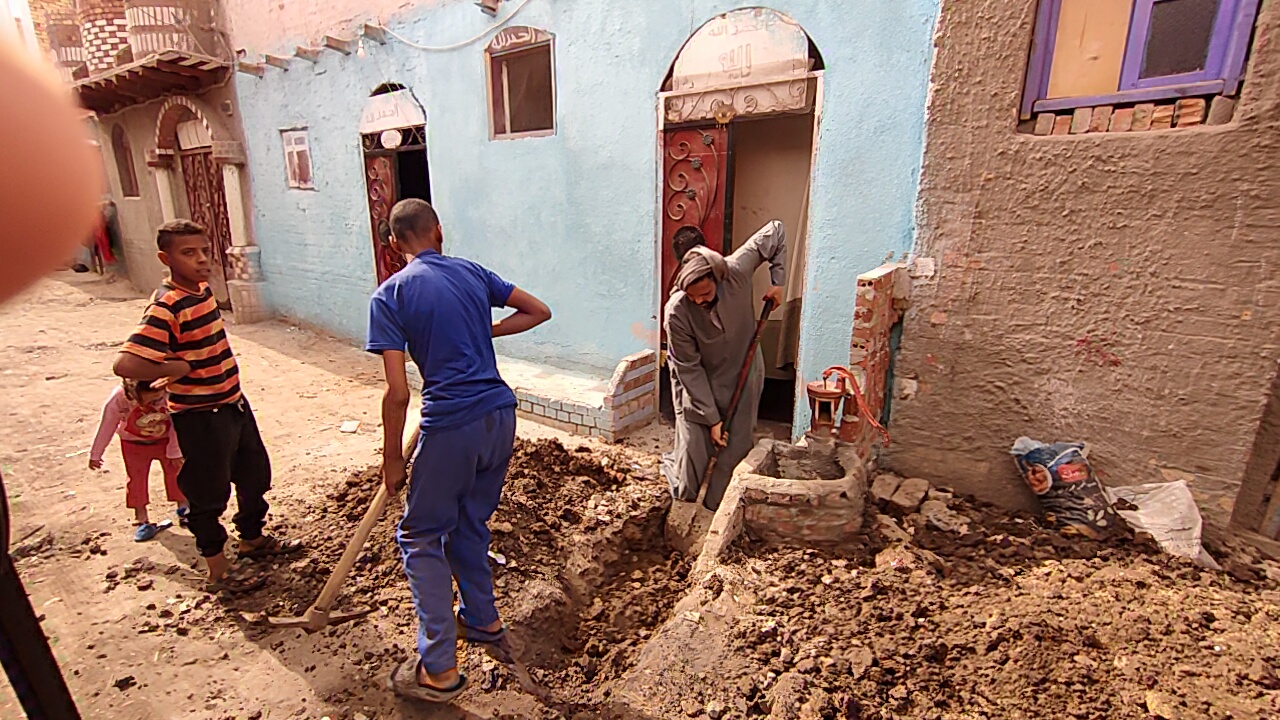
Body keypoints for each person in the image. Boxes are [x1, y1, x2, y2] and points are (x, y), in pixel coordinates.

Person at [367, 199, 551, 703]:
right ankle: (483, 620)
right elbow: (538, 311)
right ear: (439, 231)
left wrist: (391, 458)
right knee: (470, 523)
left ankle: (440, 669)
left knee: (421, 536)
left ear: (393, 244)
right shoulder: (472, 273)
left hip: (451, 425)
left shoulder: (391, 295)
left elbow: (398, 392)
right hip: (500, 416)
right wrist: (486, 329)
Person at [113, 219, 301, 593]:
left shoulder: (201, 292)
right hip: (200, 416)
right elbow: (126, 364)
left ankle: (251, 539)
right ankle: (218, 567)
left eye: (203, 250)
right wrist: (175, 368)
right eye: (188, 253)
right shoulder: (166, 307)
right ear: (165, 258)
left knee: (253, 475)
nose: (201, 259)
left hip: (233, 403)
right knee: (207, 492)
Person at [662, 220, 787, 511]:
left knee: (736, 445)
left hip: (743, 368)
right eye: (692, 296)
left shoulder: (736, 270)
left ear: (718, 279)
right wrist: (712, 419)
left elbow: (776, 231)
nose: (699, 301)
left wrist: (778, 283)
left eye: (705, 294)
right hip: (700, 379)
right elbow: (689, 369)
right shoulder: (677, 312)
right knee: (694, 446)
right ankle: (686, 493)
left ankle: (717, 505)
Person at [89, 379, 188, 541]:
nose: (153, 403)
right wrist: (96, 454)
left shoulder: (170, 393)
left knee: (176, 474)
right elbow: (108, 424)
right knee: (136, 480)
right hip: (133, 444)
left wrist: (175, 450)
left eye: (156, 399)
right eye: (148, 399)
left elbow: (178, 423)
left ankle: (184, 509)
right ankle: (142, 519)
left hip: (165, 441)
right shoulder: (120, 398)